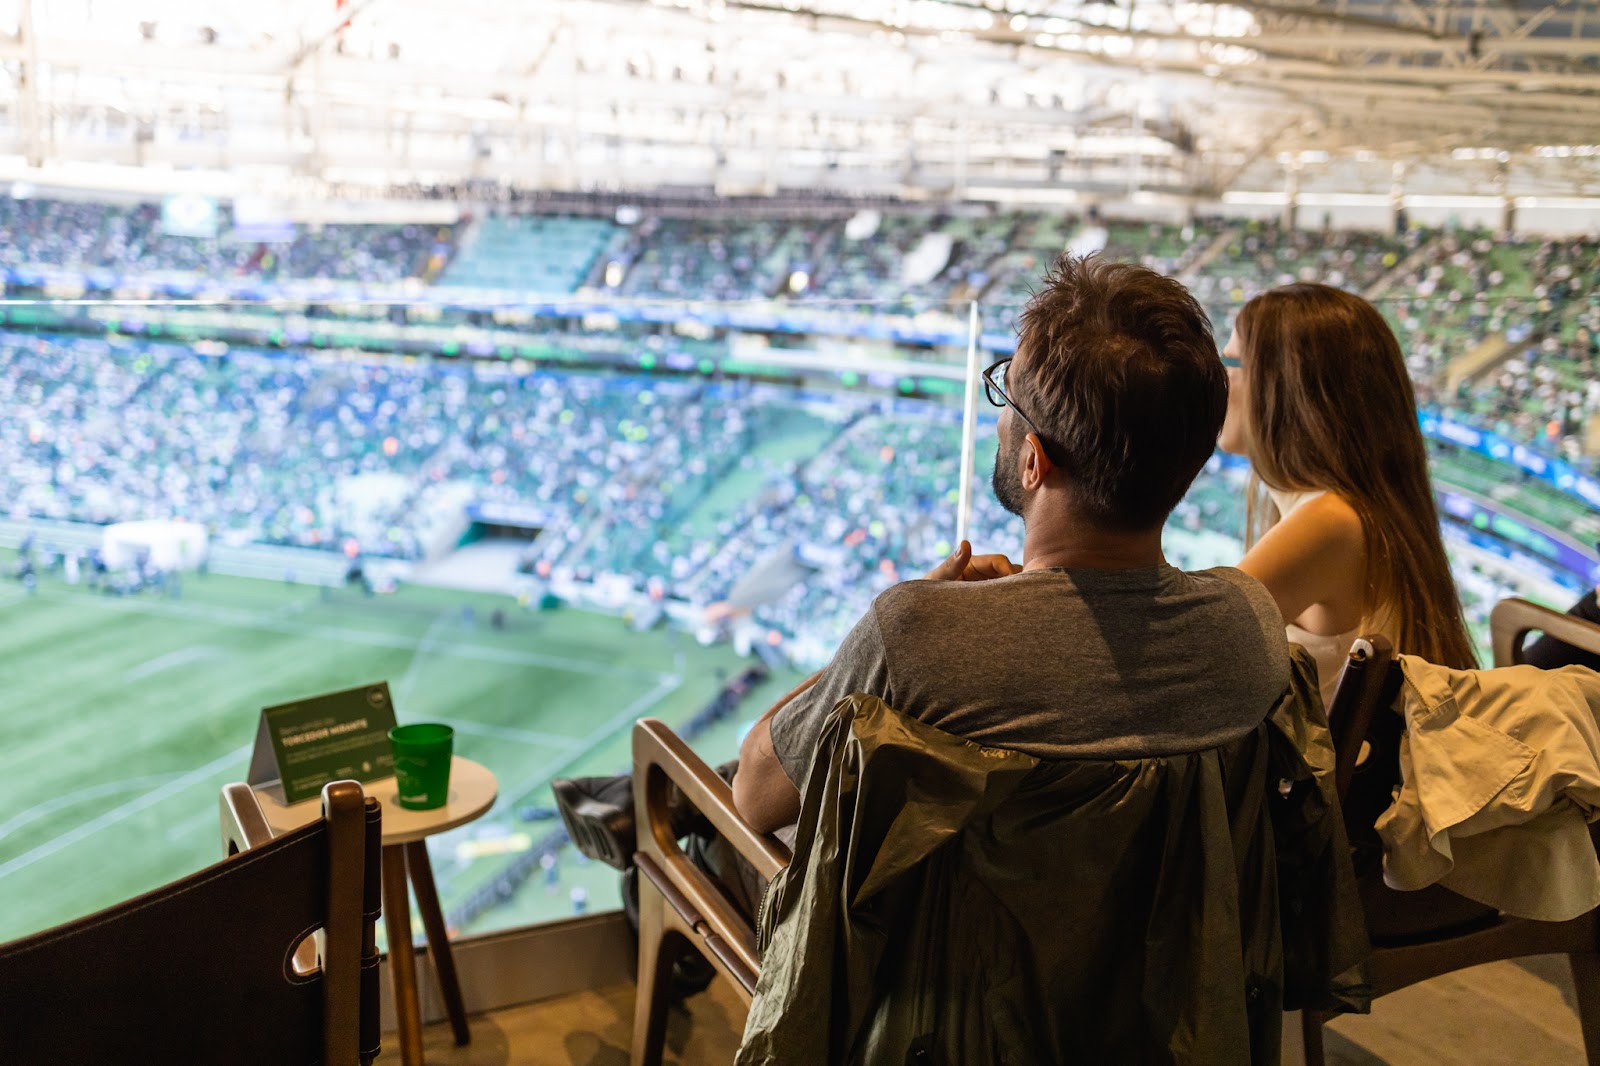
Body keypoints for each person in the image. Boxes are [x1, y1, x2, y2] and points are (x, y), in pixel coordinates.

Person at [732, 254, 1291, 835]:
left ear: (1033, 461)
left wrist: (894, 629)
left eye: (1008, 397)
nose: (1001, 419)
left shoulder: (918, 635)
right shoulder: (1251, 622)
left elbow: (755, 793)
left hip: (949, 932)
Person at [1213, 282, 1477, 707]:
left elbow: (1189, 652)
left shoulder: (1330, 522)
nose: (1219, 379)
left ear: (1284, 385)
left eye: (1232, 362)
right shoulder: (1344, 510)